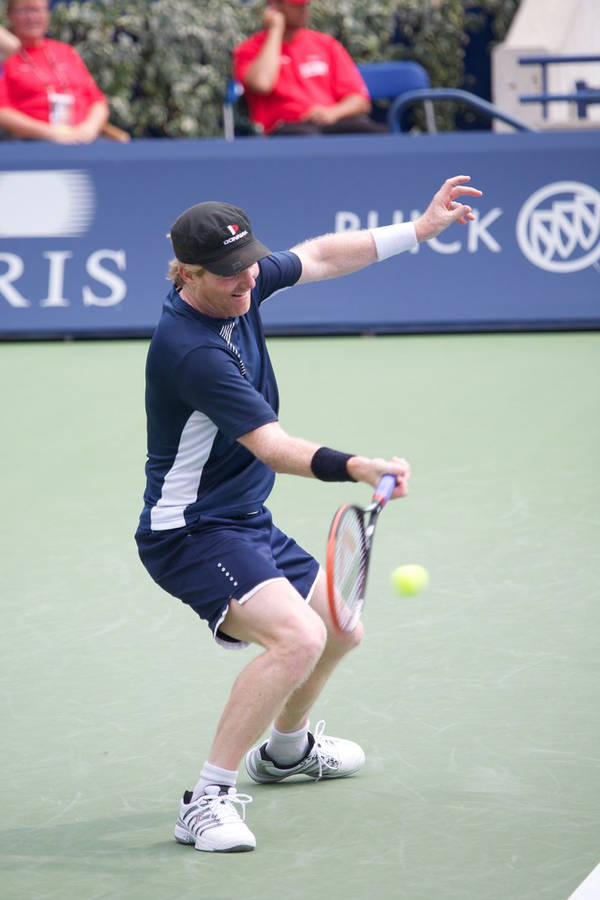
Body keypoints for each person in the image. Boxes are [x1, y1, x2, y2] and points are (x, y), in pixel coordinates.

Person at [135, 174, 482, 853]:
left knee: (339, 630)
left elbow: (320, 255)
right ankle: (205, 801)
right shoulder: (191, 350)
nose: (247, 281)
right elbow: (273, 447)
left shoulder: (239, 281)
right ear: (187, 273)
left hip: (243, 520)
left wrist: (417, 230)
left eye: (250, 265)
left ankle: (287, 752)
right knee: (297, 638)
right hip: (189, 533)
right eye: (229, 274)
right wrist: (358, 465)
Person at [233, 0, 387, 136]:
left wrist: (332, 113)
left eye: (306, 4)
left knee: (377, 134)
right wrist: (275, 31)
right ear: (275, 6)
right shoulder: (250, 49)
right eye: (296, 5)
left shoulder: (326, 44)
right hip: (285, 127)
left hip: (330, 121)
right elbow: (262, 84)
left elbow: (359, 100)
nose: (303, 9)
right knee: (309, 139)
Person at [0, 0, 108, 143]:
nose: (31, 17)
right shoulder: (5, 57)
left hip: (84, 138)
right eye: (24, 11)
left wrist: (88, 130)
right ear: (9, 16)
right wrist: (50, 133)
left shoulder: (65, 51)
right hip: (33, 141)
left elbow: (97, 101)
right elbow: (2, 111)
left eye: (37, 10)